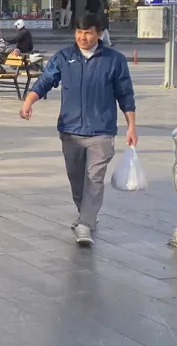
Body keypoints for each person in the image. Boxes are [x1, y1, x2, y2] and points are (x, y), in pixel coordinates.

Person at [21, 14, 136, 246]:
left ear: (100, 34)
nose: (83, 37)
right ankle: (86, 214)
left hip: (101, 130)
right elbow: (45, 81)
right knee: (76, 178)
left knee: (94, 178)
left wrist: (131, 126)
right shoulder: (64, 57)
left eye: (88, 33)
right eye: (79, 32)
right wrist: (28, 101)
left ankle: (85, 224)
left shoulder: (114, 60)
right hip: (70, 130)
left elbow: (125, 94)